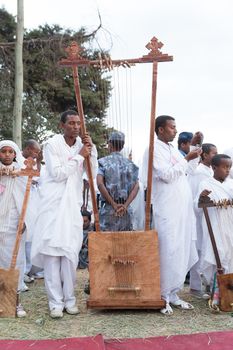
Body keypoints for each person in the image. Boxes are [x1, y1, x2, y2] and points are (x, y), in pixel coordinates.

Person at [31, 110, 98, 319]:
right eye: (71, 123)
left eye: (78, 123)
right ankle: (55, 303)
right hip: (52, 207)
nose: (76, 127)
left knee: (70, 255)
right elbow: (58, 174)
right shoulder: (52, 144)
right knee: (52, 256)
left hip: (71, 208)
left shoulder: (83, 145)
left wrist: (91, 151)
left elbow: (92, 174)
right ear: (62, 125)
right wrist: (79, 156)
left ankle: (70, 300)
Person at [149, 115, 201, 315]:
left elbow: (187, 170)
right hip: (167, 208)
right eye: (172, 127)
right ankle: (162, 295)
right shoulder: (154, 149)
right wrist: (187, 158)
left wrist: (193, 151)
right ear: (161, 129)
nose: (175, 131)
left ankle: (173, 293)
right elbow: (166, 175)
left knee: (181, 248)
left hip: (182, 209)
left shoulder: (172, 149)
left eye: (175, 127)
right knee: (168, 249)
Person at [0, 140, 33, 317]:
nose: (6, 154)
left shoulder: (22, 173)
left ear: (15, 154)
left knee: (16, 262)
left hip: (14, 225)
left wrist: (25, 220)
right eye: (3, 151)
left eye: (10, 152)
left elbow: (27, 199)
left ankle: (16, 302)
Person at [195, 154, 233, 287]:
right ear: (214, 167)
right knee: (215, 251)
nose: (228, 170)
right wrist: (201, 198)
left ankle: (229, 287)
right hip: (214, 225)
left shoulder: (231, 184)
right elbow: (197, 206)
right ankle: (214, 287)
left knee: (230, 252)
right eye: (224, 167)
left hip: (229, 224)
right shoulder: (205, 184)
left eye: (229, 167)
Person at [187, 143, 218, 298]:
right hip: (198, 215)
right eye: (213, 153)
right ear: (204, 155)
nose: (216, 156)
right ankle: (195, 287)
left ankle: (207, 285)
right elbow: (193, 194)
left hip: (208, 216)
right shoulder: (199, 172)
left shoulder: (210, 171)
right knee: (198, 250)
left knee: (206, 249)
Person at [97, 131, 139, 232]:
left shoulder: (103, 162)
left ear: (110, 144)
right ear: (122, 146)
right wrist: (125, 205)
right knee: (126, 244)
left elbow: (99, 184)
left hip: (109, 210)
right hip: (126, 211)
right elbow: (136, 187)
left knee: (106, 245)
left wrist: (114, 204)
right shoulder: (131, 164)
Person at [22, 139, 43, 285]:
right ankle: (22, 272)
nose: (37, 155)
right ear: (29, 149)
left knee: (32, 236)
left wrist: (39, 162)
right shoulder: (17, 159)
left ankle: (31, 270)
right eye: (36, 151)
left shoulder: (35, 162)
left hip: (33, 202)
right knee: (24, 237)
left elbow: (38, 176)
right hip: (21, 202)